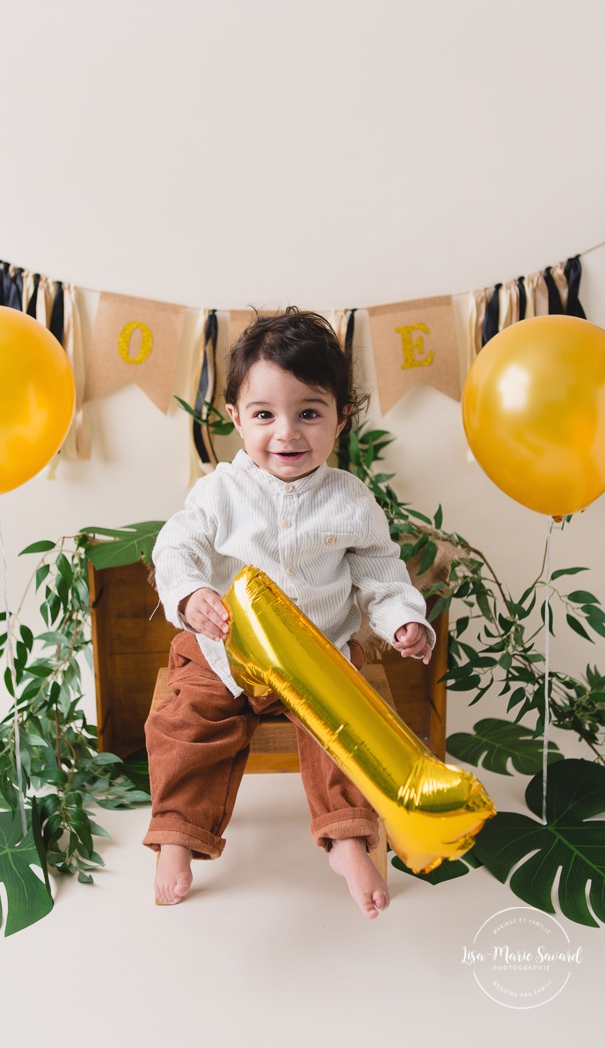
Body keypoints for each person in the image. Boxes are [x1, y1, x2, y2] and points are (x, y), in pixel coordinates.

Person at [143, 307, 434, 919]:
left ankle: (348, 838)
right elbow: (178, 546)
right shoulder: (220, 491)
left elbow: (379, 572)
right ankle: (177, 836)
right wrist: (193, 594)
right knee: (187, 722)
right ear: (235, 420)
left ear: (341, 418)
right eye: (264, 415)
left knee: (347, 732)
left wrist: (403, 619)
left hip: (319, 653)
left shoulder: (352, 501)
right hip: (225, 649)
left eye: (309, 412)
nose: (287, 433)